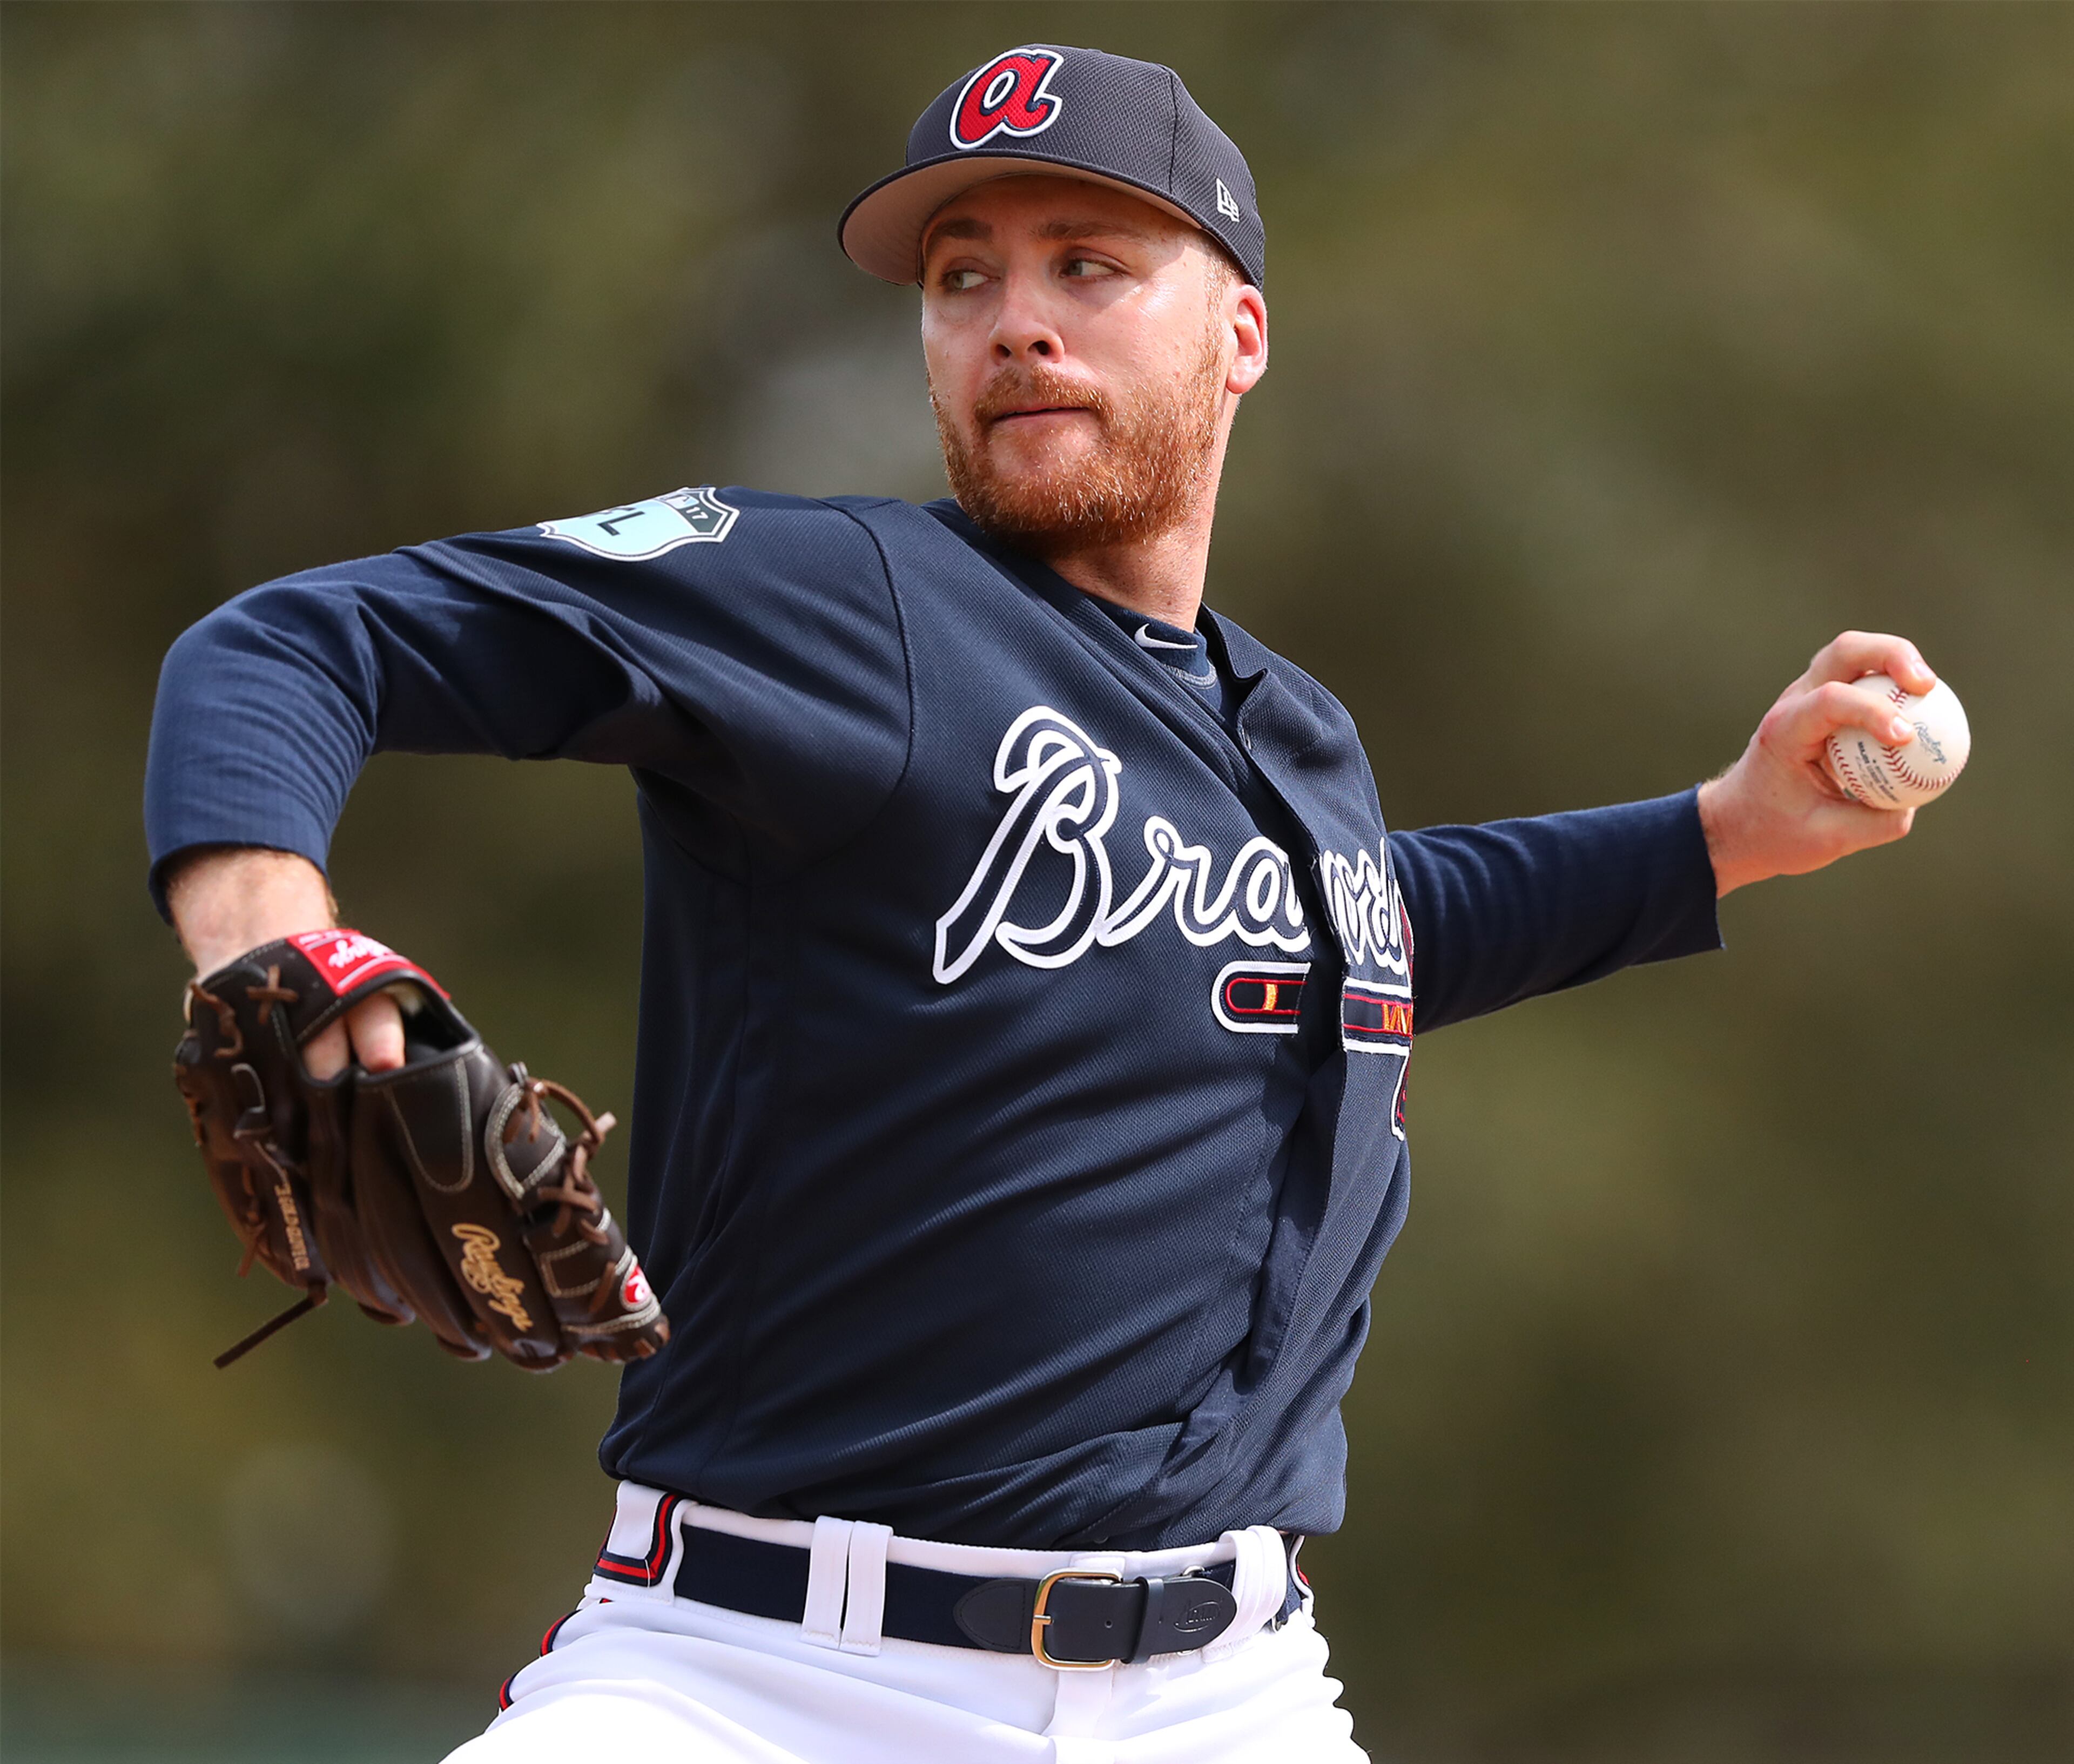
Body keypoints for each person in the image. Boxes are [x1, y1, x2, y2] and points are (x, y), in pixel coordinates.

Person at [146, 44, 1938, 1763]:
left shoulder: (1297, 737)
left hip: (1230, 1695)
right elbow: (302, 640)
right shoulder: (844, 600)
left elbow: (1356, 938)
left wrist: (1722, 829)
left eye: (1091, 263)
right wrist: (266, 931)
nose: (1016, 317)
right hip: (763, 1682)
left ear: (1240, 333)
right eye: (961, 274)